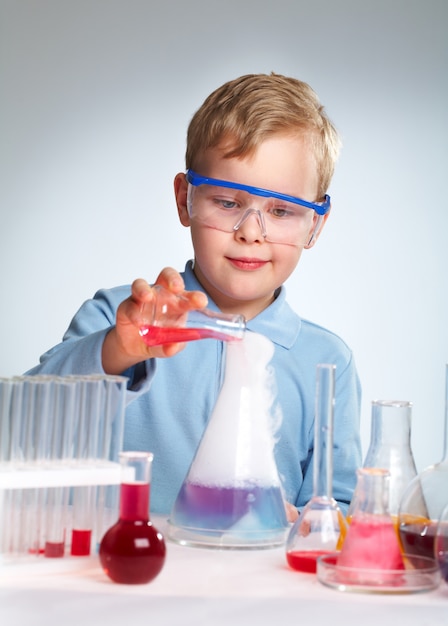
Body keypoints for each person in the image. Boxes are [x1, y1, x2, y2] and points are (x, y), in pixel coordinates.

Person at [27, 72, 362, 520]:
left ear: (316, 224)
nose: (249, 233)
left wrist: (298, 521)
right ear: (186, 199)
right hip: (128, 578)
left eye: (281, 211)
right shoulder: (120, 318)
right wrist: (116, 349)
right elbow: (33, 419)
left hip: (258, 583)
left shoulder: (328, 362)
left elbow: (343, 509)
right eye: (227, 202)